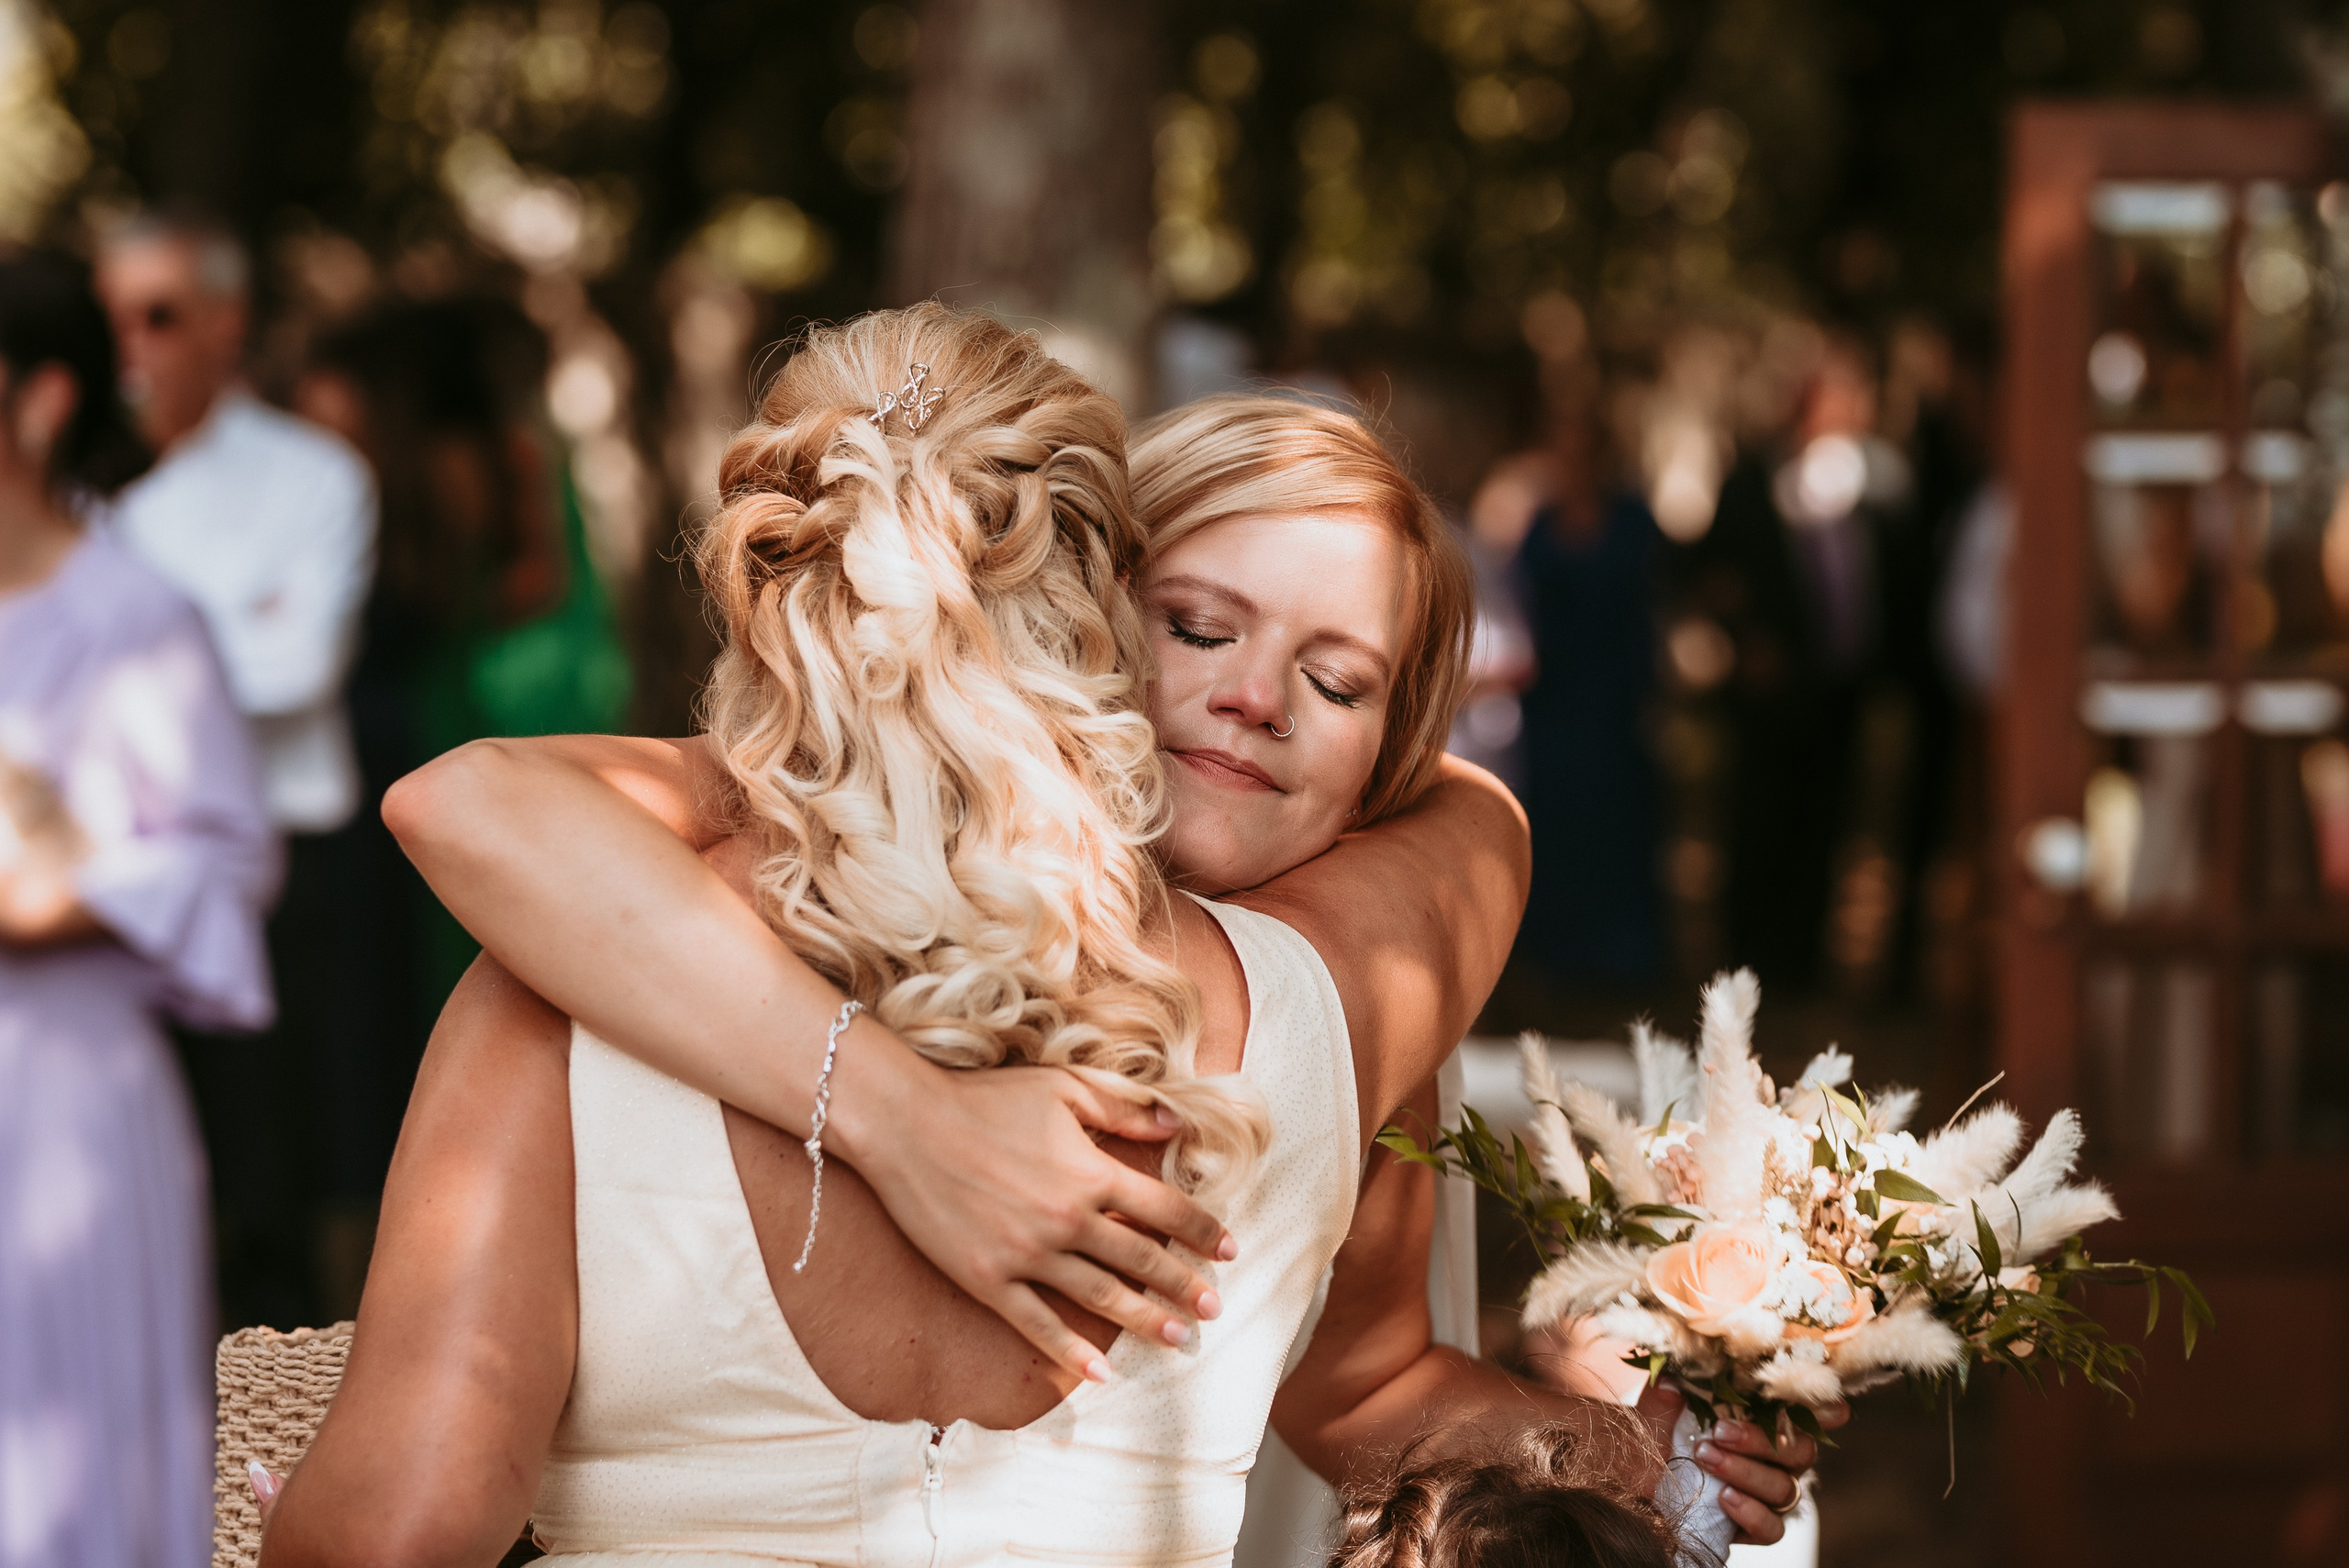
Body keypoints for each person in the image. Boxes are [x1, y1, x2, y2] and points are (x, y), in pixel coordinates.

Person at [283, 327, 1820, 1558]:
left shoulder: (561, 972)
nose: (1254, 700)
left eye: (1338, 681)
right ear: (1086, 608)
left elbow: (1365, 1382)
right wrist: (895, 1107)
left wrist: (1638, 1445)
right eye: (1200, 627)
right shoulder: (1328, 1011)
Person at [0, 250, 279, 1568]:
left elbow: (225, 863)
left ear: (41, 399)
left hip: (62, 1105)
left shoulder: (138, 618)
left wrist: (54, 892)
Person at [96, 210, 380, 1330]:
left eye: (158, 315)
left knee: (265, 1187)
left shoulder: (314, 478)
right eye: (111, 316)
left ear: (226, 323)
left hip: (275, 869)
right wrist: (219, 632)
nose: (132, 344)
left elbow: (296, 670)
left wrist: (111, 664)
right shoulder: (74, 483)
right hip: (103, 874)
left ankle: (260, 1470)